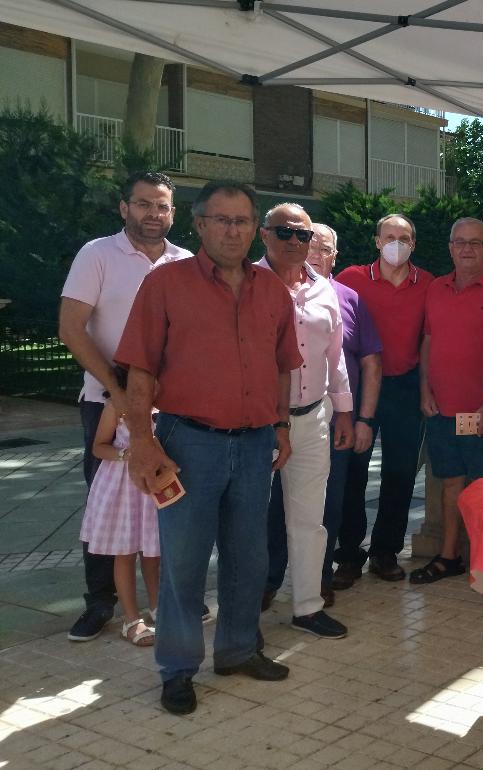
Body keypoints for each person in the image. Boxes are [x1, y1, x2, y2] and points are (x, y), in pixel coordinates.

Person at [115, 180, 302, 715]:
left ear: (255, 228)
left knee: (249, 555)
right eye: (222, 220)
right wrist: (144, 444)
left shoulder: (272, 291)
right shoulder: (166, 283)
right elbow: (140, 369)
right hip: (186, 443)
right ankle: (177, 668)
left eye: (242, 220)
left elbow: (283, 365)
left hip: (254, 443)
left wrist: (282, 427)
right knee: (184, 562)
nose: (233, 230)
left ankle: (239, 649)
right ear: (199, 225)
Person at [58, 170, 192, 642]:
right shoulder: (98, 254)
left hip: (168, 409)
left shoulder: (186, 262)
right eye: (143, 204)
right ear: (124, 208)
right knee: (108, 507)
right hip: (105, 404)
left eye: (161, 206)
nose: (152, 214)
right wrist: (118, 393)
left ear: (173, 213)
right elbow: (71, 328)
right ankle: (101, 604)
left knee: (166, 505)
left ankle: (165, 601)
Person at [255, 204, 354, 639]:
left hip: (313, 417)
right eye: (284, 232)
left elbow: (336, 357)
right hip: (256, 424)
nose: (295, 241)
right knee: (249, 521)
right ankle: (246, 611)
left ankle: (308, 606)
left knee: (310, 520)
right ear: (264, 235)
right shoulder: (248, 283)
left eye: (303, 235)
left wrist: (344, 409)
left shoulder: (324, 290)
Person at [412, 217, 483, 584]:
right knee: (449, 482)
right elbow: (428, 341)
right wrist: (425, 388)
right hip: (442, 408)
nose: (467, 249)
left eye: (476, 243)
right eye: (460, 242)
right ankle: (449, 556)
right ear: (450, 247)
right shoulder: (436, 289)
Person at [335, 214, 432, 583]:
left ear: (413, 243)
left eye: (404, 237)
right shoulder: (351, 279)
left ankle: (386, 551)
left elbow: (430, 339)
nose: (396, 243)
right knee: (353, 471)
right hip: (361, 388)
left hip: (405, 387)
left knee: (401, 472)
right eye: (389, 236)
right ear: (377, 241)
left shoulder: (428, 284)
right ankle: (348, 554)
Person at [299, 223, 381, 606]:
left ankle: (320, 575)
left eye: (324, 247)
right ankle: (269, 578)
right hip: (277, 418)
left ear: (335, 256)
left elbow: (369, 363)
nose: (315, 252)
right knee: (272, 503)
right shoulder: (267, 287)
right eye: (308, 243)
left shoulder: (349, 297)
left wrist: (362, 419)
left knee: (333, 499)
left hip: (335, 419)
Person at [78, 366, 159, 647]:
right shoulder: (116, 406)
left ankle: (158, 607)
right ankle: (131, 618)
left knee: (153, 551)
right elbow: (98, 447)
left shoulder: (164, 406)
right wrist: (125, 454)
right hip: (123, 487)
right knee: (124, 553)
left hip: (154, 487)